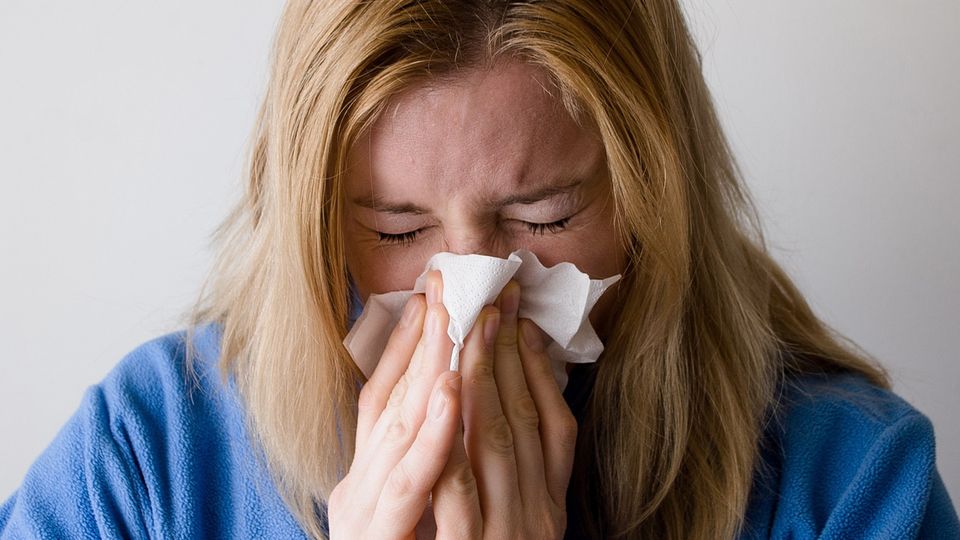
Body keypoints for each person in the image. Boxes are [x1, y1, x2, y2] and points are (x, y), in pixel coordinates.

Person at [1, 0, 957, 538]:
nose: (468, 300)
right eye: (396, 227)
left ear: (653, 196)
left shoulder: (850, 487)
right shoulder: (147, 461)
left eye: (543, 216)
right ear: (314, 223)